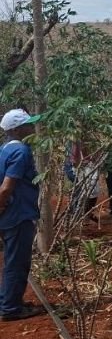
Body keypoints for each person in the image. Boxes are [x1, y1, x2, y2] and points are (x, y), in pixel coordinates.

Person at [0, 109, 44, 321]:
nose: (31, 128)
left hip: (10, 213)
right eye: (28, 125)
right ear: (17, 129)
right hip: (18, 214)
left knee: (12, 260)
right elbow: (6, 188)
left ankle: (9, 301)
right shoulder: (21, 152)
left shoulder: (4, 150)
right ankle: (10, 308)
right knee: (17, 262)